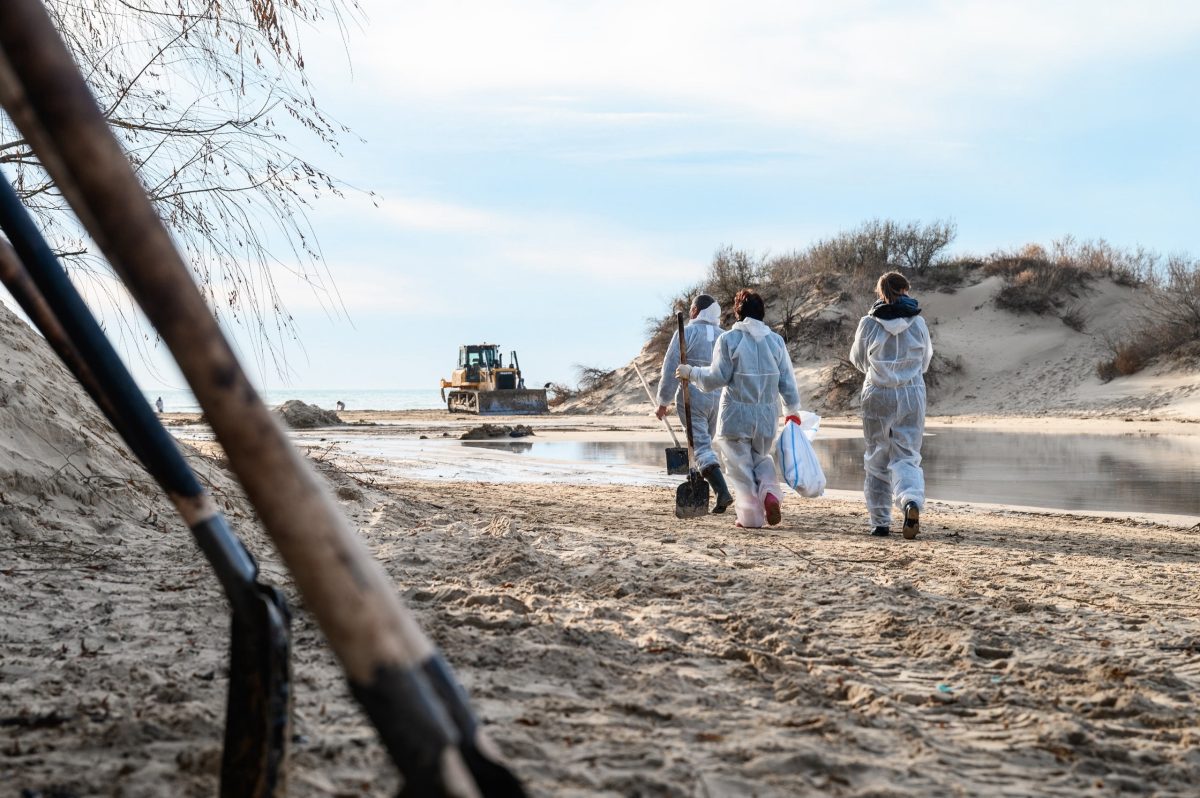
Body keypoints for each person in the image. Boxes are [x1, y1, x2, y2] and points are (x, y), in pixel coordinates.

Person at [677, 289, 802, 528]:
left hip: (736, 414)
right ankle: (771, 493)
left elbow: (716, 378)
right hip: (766, 416)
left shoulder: (729, 340)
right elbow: (787, 381)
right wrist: (792, 410)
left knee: (739, 466)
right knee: (761, 458)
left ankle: (751, 517)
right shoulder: (775, 342)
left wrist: (690, 372)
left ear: (738, 313)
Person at [849, 271, 933, 539]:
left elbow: (858, 359)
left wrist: (880, 372)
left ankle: (880, 522)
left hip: (877, 394)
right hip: (911, 394)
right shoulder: (918, 323)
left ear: (881, 292)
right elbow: (926, 360)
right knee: (907, 455)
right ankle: (910, 501)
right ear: (904, 290)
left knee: (877, 457)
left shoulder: (868, 323)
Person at [656, 293, 734, 513]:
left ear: (696, 311)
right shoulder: (724, 336)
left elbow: (671, 367)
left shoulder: (687, 332)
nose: (690, 311)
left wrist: (663, 402)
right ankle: (703, 483)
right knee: (704, 444)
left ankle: (722, 492)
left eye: (692, 307)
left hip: (693, 397)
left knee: (699, 446)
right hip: (719, 399)